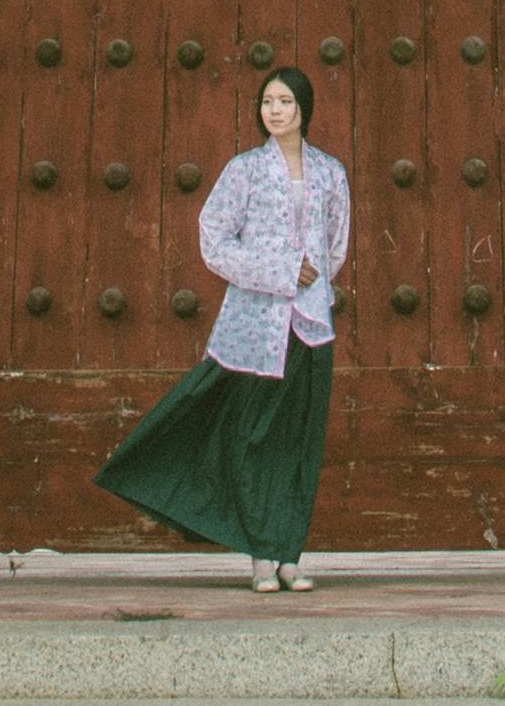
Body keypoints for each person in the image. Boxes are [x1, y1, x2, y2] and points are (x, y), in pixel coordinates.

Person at [95, 63, 350, 590]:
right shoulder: (245, 171)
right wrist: (280, 272)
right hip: (255, 329)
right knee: (254, 439)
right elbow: (215, 240)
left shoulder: (330, 172)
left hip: (311, 326)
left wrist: (313, 281)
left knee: (298, 443)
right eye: (267, 102)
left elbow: (337, 243)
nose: (274, 111)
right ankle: (260, 555)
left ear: (304, 108)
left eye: (284, 101)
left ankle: (289, 555)